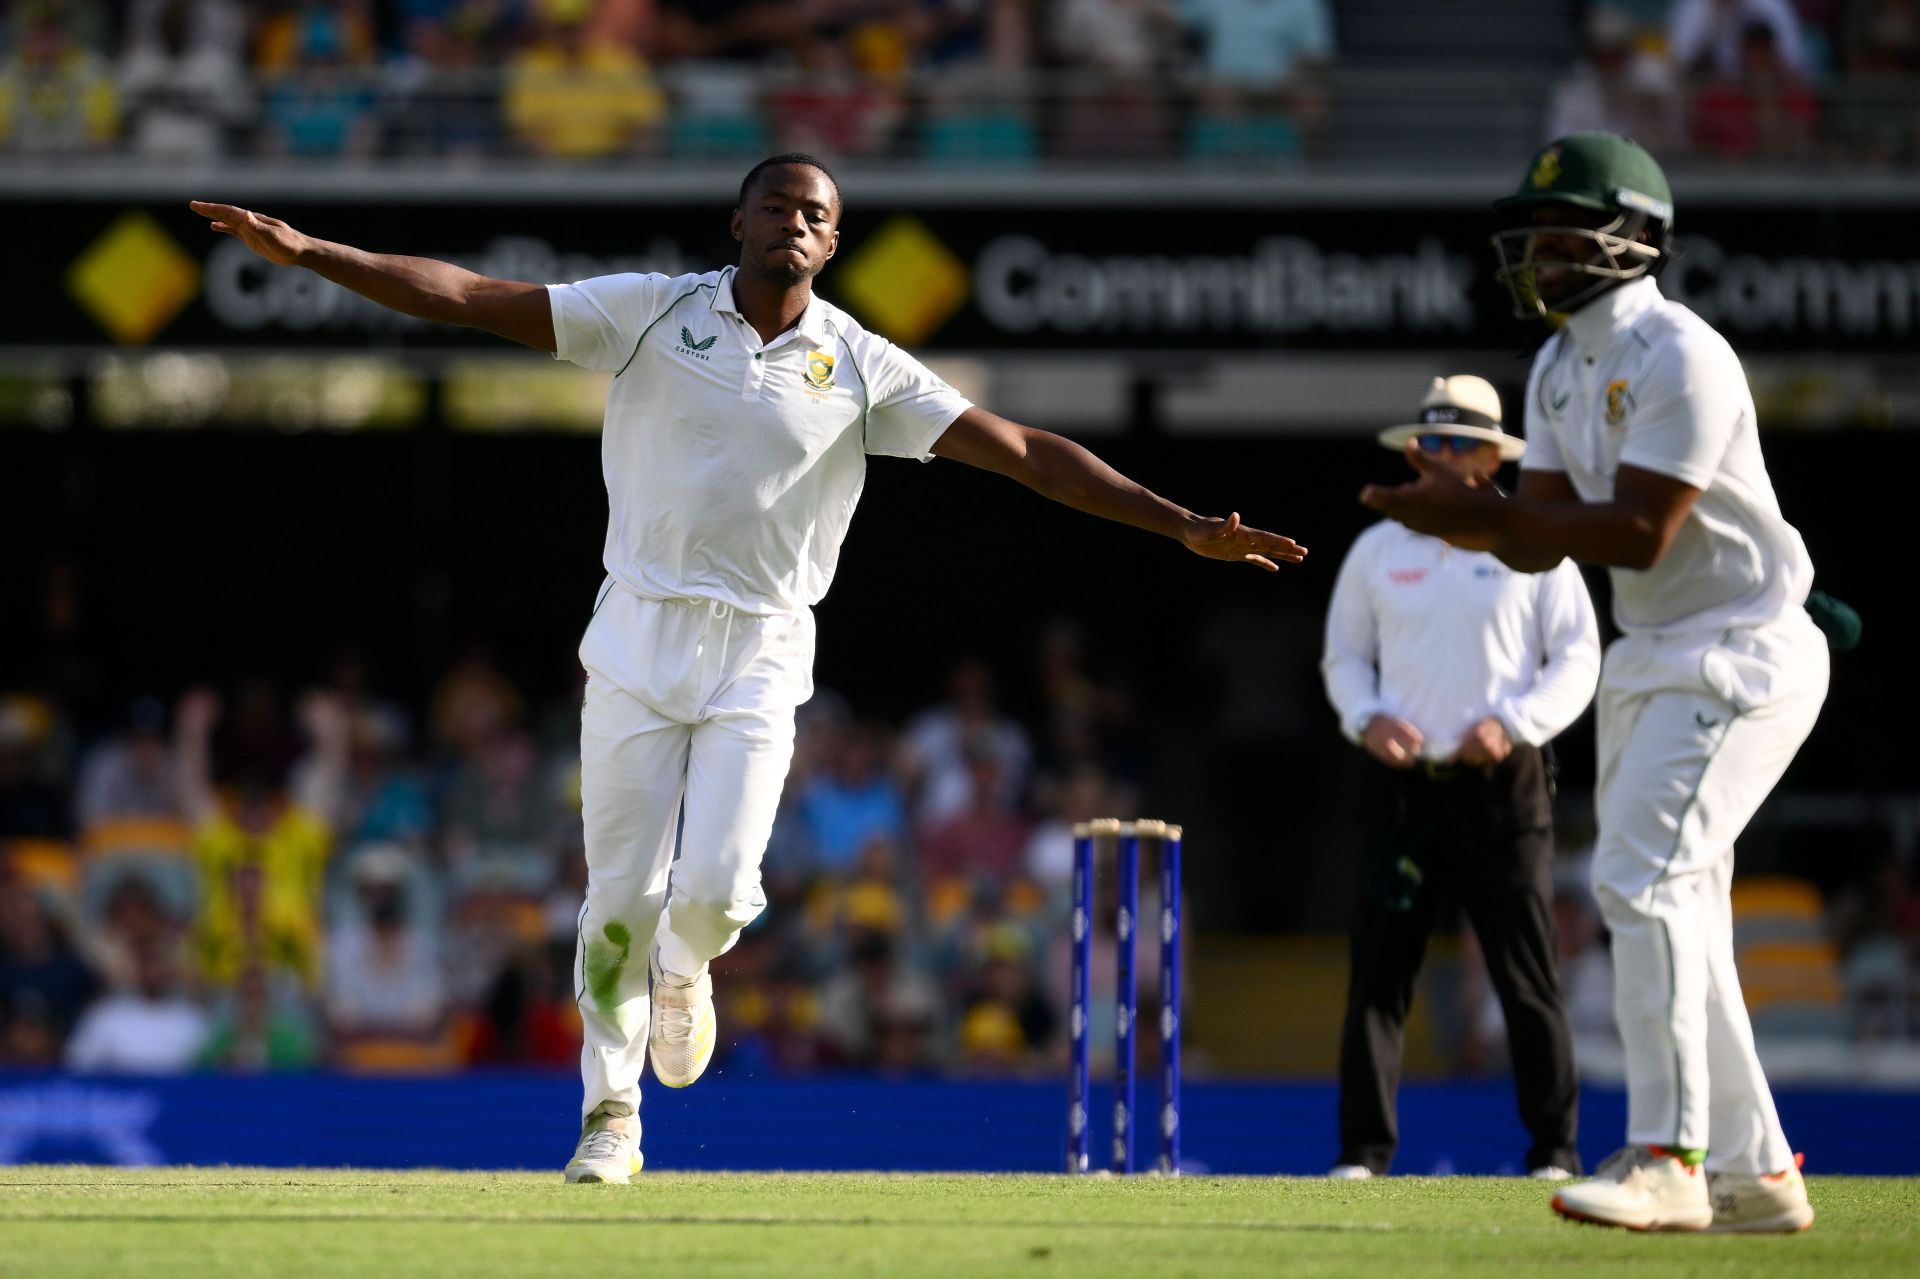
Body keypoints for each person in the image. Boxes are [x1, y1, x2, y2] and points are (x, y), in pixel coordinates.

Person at [189, 153, 1306, 1184]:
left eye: (816, 215)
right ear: (740, 220)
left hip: (765, 650)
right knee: (616, 895)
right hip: (635, 639)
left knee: (717, 891)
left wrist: (1180, 524)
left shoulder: (861, 365)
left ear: (832, 245)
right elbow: (471, 296)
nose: (795, 224)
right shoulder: (651, 311)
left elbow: (1022, 454)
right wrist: (311, 254)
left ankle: (690, 966)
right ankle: (610, 1118)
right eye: (777, 205)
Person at [1361, 131, 1842, 1233]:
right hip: (1659, 652)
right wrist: (1468, 513)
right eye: (1532, 236)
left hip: (1739, 645)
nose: (1541, 253)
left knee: (1640, 879)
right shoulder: (1560, 364)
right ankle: (1759, 1173)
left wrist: (1476, 516)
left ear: (1635, 239)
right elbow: (1539, 540)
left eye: (1564, 233)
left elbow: (1634, 528)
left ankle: (1670, 1156)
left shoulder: (1680, 353)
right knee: (1679, 901)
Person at [1323, 375, 1601, 1182]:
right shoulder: (1379, 547)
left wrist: (1512, 725)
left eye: (1459, 444)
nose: (1443, 457)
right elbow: (1344, 655)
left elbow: (1578, 657)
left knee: (1526, 977)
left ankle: (1554, 1150)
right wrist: (1366, 717)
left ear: (1490, 456)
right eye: (1431, 442)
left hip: (1502, 784)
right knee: (1380, 976)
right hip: (1405, 785)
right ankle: (1363, 1154)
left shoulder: (1531, 539)